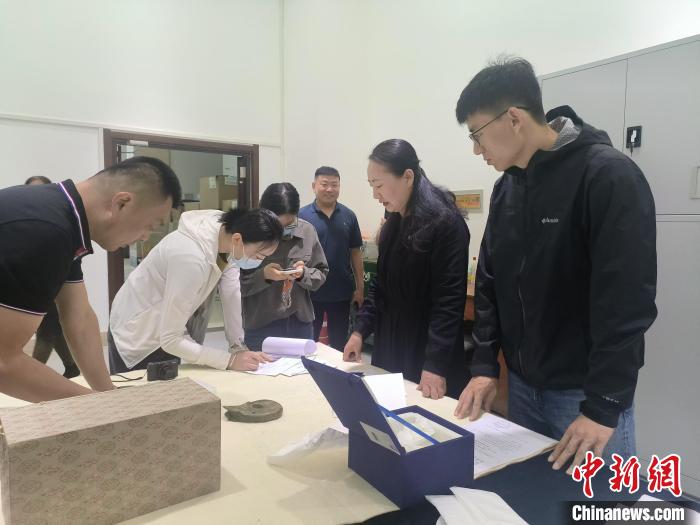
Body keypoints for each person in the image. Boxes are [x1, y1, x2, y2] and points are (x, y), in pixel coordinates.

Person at [452, 57, 657, 474]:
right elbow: (489, 282)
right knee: (534, 496)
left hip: (582, 396)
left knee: (600, 500)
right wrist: (485, 367)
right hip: (524, 389)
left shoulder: (607, 176)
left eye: (477, 134)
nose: (476, 149)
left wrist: (603, 406)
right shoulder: (508, 188)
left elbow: (626, 303)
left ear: (513, 118)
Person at [0, 156, 181, 401]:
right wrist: (98, 407)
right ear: (122, 203)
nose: (144, 237)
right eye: (150, 225)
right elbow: (4, 363)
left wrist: (107, 395)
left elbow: (80, 318)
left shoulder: (64, 219)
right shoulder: (44, 229)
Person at [343, 139, 471, 400]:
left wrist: (435, 364)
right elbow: (381, 286)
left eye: (379, 185)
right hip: (391, 347)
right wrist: (359, 330)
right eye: (371, 186)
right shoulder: (394, 224)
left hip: (424, 353)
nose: (375, 194)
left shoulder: (446, 224)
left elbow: (448, 303)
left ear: (408, 177)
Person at [109, 208, 282, 373]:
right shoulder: (191, 258)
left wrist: (238, 347)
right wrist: (228, 361)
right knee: (141, 392)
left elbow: (231, 293)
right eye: (259, 256)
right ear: (237, 239)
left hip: (169, 328)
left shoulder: (227, 238)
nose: (259, 262)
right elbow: (170, 339)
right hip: (139, 333)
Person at [232, 183, 329, 351]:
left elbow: (321, 273)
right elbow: (232, 285)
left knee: (302, 367)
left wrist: (303, 274)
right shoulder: (246, 234)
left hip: (300, 323)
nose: (282, 231)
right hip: (261, 324)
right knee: (260, 368)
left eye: (289, 224)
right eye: (276, 226)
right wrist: (264, 275)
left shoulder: (307, 231)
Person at [299, 166, 364, 351]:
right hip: (309, 291)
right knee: (307, 342)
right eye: (324, 184)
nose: (329, 189)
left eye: (334, 185)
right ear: (314, 186)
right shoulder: (301, 216)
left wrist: (360, 288)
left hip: (341, 292)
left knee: (338, 344)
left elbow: (355, 252)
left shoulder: (349, 216)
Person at [23, 176, 79, 378]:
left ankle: (29, 377)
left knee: (46, 332)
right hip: (28, 286)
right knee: (53, 330)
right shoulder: (22, 218)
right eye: (31, 191)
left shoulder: (60, 221)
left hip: (54, 286)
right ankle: (72, 367)